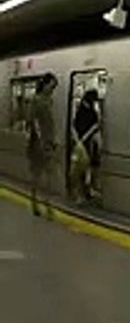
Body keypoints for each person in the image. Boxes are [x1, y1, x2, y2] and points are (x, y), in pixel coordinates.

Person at [25, 73, 58, 219]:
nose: (52, 90)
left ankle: (47, 204)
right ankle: (35, 203)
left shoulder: (49, 100)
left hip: (49, 142)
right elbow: (33, 122)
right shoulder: (36, 100)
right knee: (37, 175)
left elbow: (50, 123)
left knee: (49, 175)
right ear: (44, 85)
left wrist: (52, 139)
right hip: (38, 144)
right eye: (51, 86)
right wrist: (40, 141)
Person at [70, 90, 103, 205]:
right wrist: (83, 139)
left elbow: (73, 126)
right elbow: (95, 126)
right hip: (86, 143)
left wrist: (77, 140)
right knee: (84, 168)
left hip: (79, 142)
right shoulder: (91, 111)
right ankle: (83, 192)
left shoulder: (80, 110)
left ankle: (82, 193)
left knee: (81, 168)